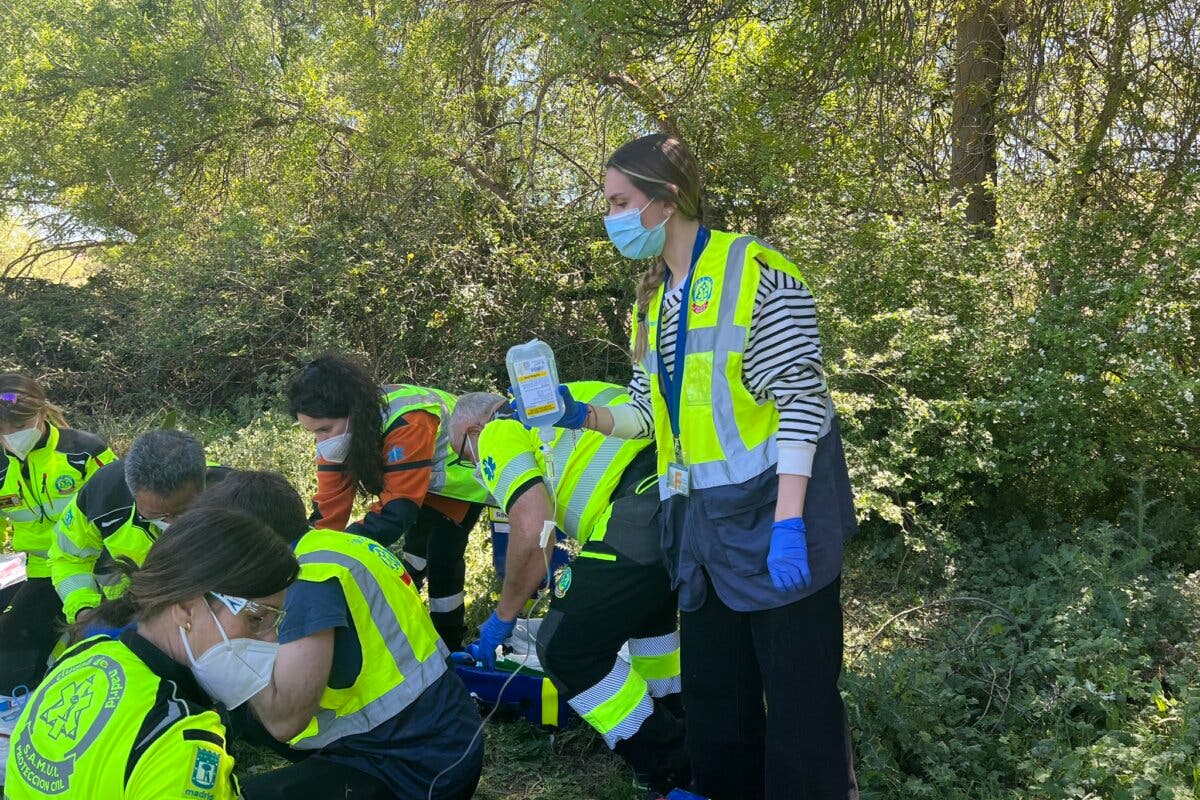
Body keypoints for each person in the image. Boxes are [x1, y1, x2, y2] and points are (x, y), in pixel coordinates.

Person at [561, 134, 859, 799]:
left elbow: (801, 403)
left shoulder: (757, 271)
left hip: (778, 520)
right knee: (717, 713)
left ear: (665, 200)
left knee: (800, 715)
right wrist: (579, 415)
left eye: (618, 201)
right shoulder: (651, 299)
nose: (609, 217)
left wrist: (787, 522)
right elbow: (646, 415)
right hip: (702, 535)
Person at [448, 382, 689, 795]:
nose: (475, 468)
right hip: (682, 492)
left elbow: (531, 526)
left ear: (473, 429)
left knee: (564, 648)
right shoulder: (578, 393)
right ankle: (680, 737)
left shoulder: (497, 427)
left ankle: (677, 763)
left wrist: (503, 618)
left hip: (638, 508)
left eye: (464, 456)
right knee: (652, 634)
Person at [194, 470, 483, 800]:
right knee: (246, 715)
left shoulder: (306, 580)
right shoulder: (339, 545)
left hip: (409, 769)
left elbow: (284, 722)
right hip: (442, 738)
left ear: (246, 542)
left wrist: (224, 649)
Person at [3, 507, 298, 799]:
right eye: (257, 618)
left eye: (277, 622)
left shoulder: (83, 656)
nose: (272, 642)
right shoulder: (182, 742)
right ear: (184, 607)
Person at [285, 353, 488, 650]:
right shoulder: (343, 431)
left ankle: (451, 643)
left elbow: (396, 514)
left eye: (324, 430)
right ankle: (409, 621)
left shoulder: (410, 419)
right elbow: (328, 510)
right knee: (414, 555)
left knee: (442, 556)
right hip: (423, 484)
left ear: (352, 413)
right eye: (313, 432)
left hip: (462, 484)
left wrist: (336, 551)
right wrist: (300, 557)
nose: (320, 441)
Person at [0, 374, 115, 693]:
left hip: (99, 566)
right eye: (2, 429)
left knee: (109, 635)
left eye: (18, 425)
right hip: (40, 571)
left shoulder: (83, 451)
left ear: (41, 413)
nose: (10, 435)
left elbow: (122, 504)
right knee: (9, 658)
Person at [49, 429, 229, 624]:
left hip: (210, 619)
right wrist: (84, 611)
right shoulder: (101, 495)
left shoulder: (235, 498)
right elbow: (68, 559)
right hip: (128, 614)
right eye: (156, 515)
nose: (169, 523)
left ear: (203, 479)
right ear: (131, 489)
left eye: (181, 512)